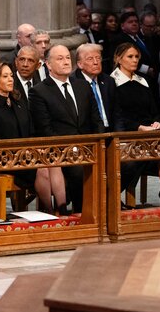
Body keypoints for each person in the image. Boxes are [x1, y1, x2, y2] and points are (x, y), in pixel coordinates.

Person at [0, 61, 66, 213]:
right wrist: (21, 153)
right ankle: (49, 211)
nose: (11, 79)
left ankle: (62, 209)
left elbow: (31, 131)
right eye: (5, 76)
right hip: (4, 158)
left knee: (54, 162)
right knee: (42, 169)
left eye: (11, 76)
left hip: (26, 154)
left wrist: (34, 150)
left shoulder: (18, 102)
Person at [29, 44, 104, 212]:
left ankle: (103, 211)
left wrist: (99, 144)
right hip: (60, 151)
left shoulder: (83, 86)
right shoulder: (39, 92)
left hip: (89, 147)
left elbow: (96, 120)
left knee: (115, 164)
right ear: (48, 64)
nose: (66, 62)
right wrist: (72, 149)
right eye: (60, 58)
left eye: (68, 58)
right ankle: (81, 213)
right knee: (79, 171)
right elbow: (45, 130)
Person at [111, 43, 160, 206]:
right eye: (130, 57)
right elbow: (118, 116)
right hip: (130, 134)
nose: (135, 60)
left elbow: (155, 110)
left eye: (137, 57)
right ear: (118, 59)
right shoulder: (112, 81)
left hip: (151, 130)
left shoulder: (143, 81)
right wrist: (139, 127)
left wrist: (157, 122)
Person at [71, 43, 113, 131]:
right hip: (89, 134)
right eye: (90, 59)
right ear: (80, 64)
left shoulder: (108, 81)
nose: (95, 62)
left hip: (111, 132)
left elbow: (116, 112)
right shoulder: (73, 83)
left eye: (98, 58)